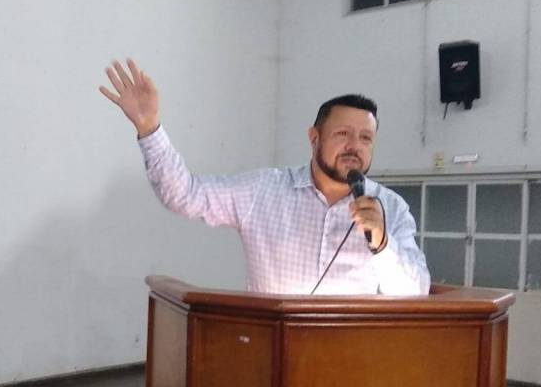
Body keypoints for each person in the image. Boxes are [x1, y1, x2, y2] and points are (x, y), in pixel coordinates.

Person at [100, 58, 429, 295]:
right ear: (314, 137)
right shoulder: (264, 190)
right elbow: (185, 195)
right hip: (273, 353)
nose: (354, 146)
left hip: (352, 359)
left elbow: (415, 291)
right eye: (343, 133)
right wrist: (149, 128)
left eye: (365, 138)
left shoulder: (391, 208)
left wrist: (382, 243)